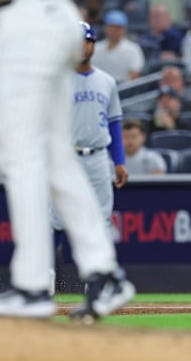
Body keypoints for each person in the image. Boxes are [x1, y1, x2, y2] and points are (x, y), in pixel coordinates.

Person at [0, 0, 134, 320]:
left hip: (25, 19)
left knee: (20, 156)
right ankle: (104, 272)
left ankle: (31, 285)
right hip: (58, 17)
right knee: (56, 158)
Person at [50, 20, 128, 242]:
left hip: (98, 156)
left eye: (87, 42)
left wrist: (119, 161)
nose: (83, 47)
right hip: (65, 156)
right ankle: (53, 275)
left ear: (94, 45)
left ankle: (96, 277)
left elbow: (114, 122)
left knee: (102, 218)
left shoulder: (107, 81)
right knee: (56, 220)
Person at [91, 10, 145, 83]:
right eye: (111, 27)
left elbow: (134, 77)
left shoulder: (133, 49)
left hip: (124, 89)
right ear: (105, 28)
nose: (114, 31)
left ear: (124, 29)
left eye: (118, 28)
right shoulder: (96, 48)